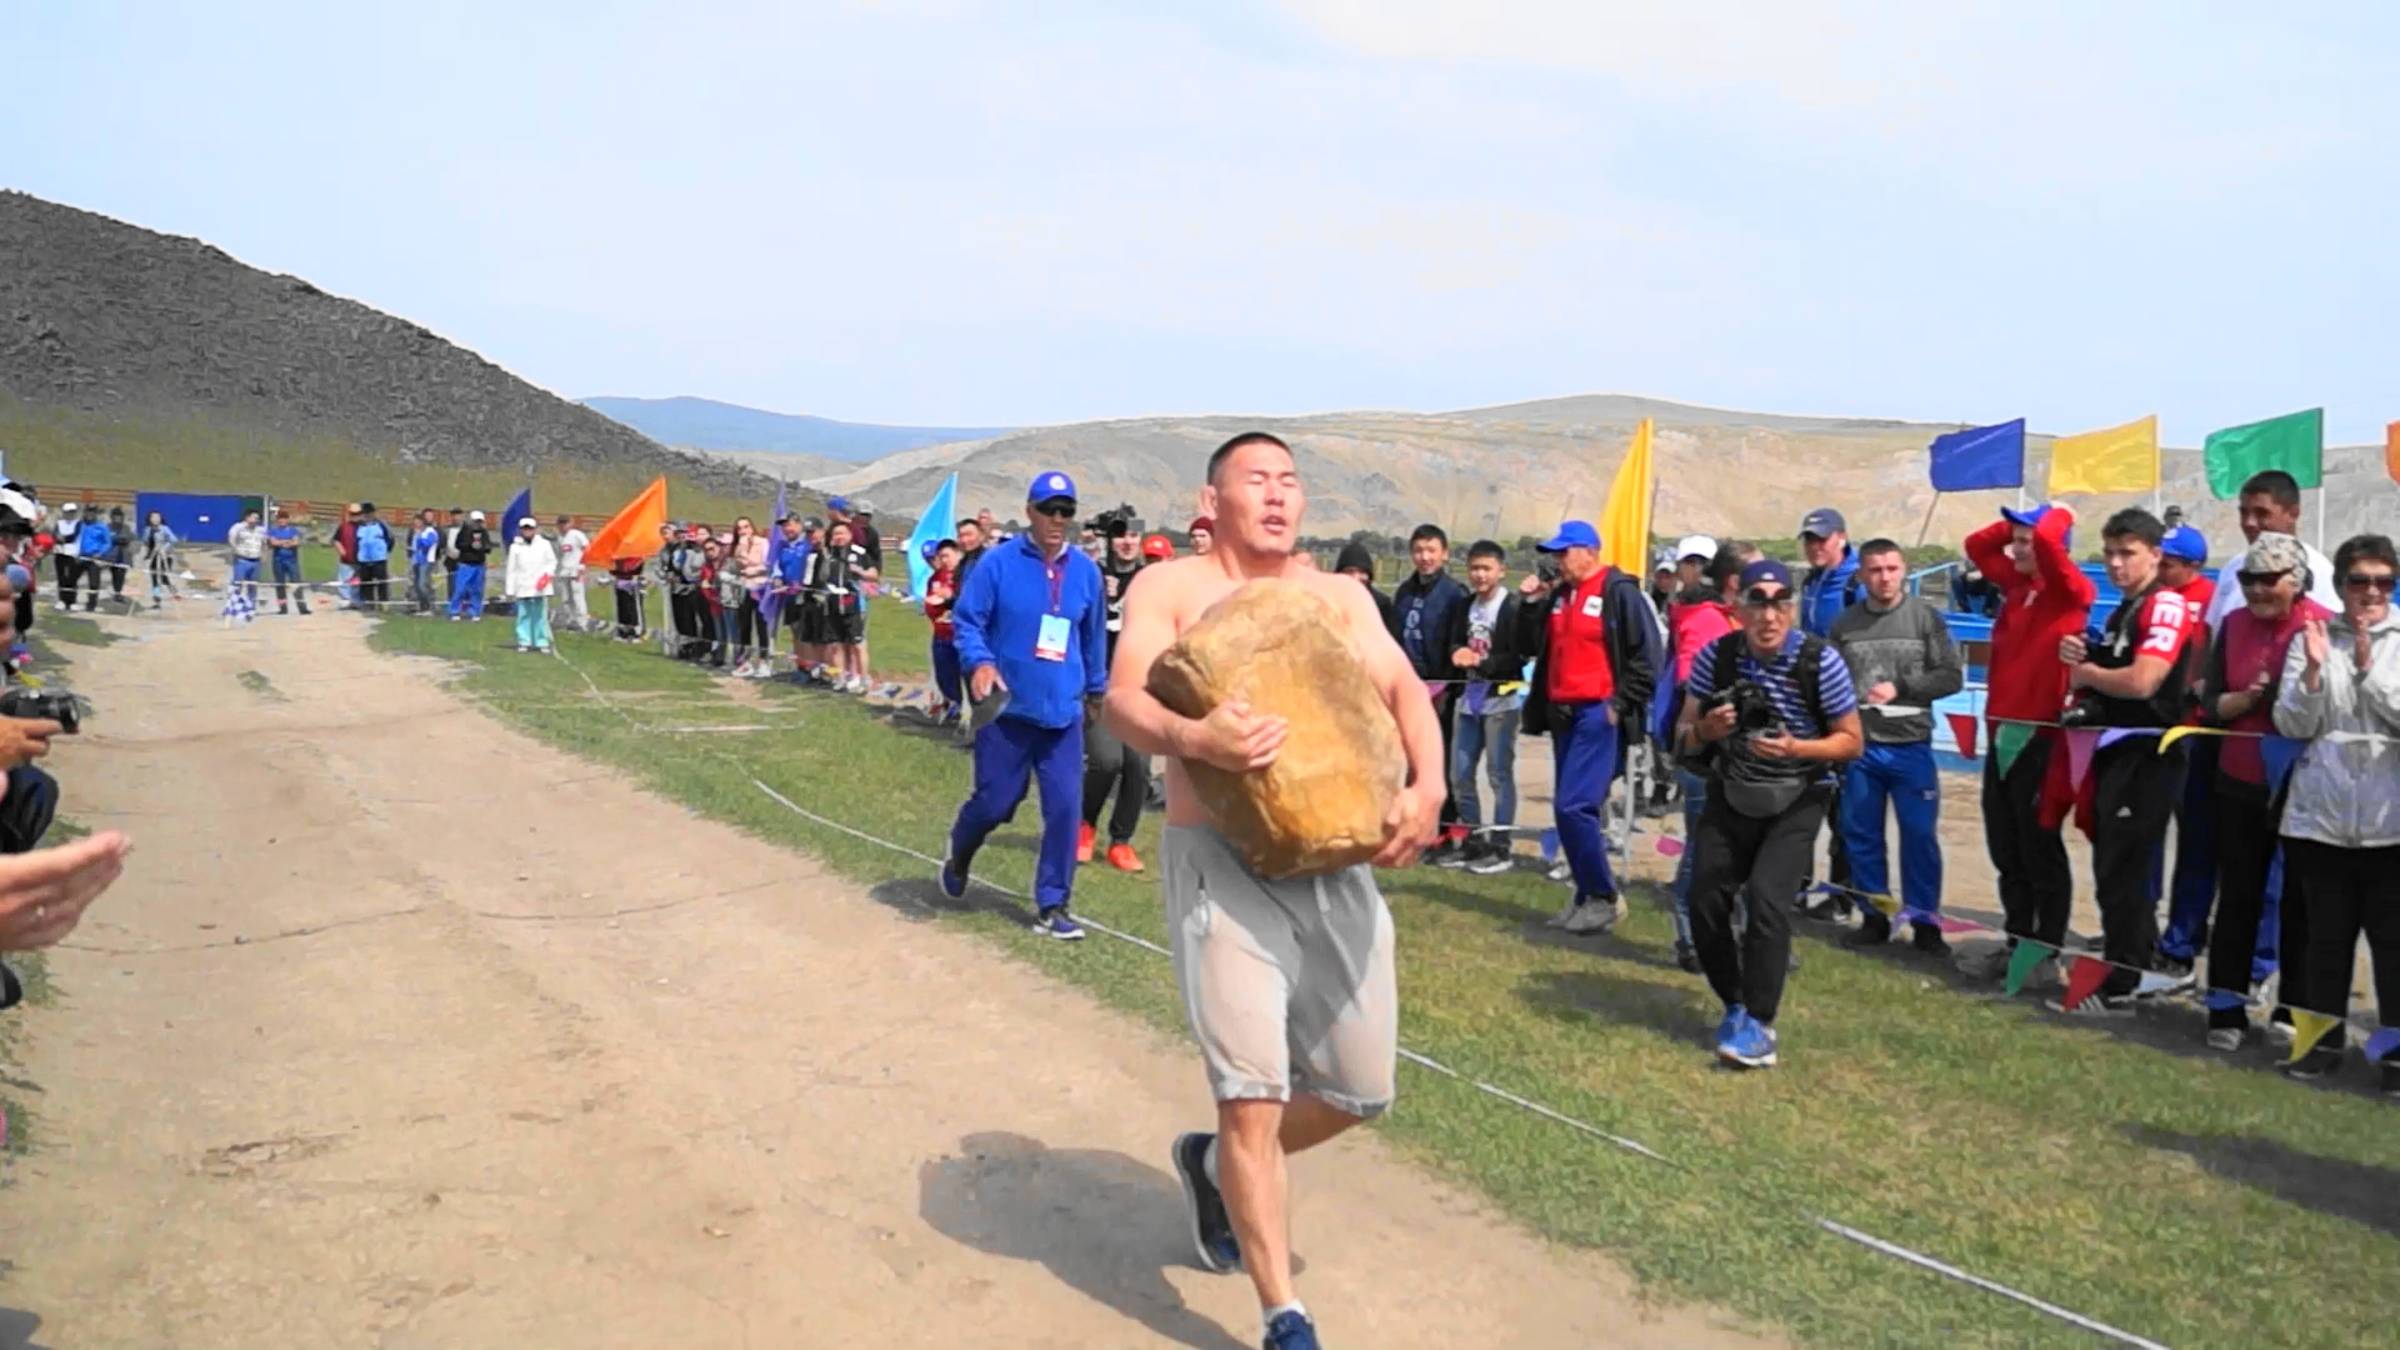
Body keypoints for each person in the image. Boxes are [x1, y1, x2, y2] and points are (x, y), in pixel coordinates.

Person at [1102, 431, 1443, 1350]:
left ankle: (1215, 1166)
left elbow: (1406, 690)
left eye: (1290, 481)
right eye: (1257, 479)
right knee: (1252, 1091)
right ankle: (1282, 1312)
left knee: (1361, 1090)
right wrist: (1196, 739)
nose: (1278, 494)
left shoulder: (1339, 596)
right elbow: (1124, 700)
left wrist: (1429, 787)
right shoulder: (1169, 586)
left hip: (1338, 863)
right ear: (1211, 500)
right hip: (1220, 865)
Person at [1674, 559, 1863, 1068]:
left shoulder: (1821, 662)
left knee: (1766, 900)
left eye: (1780, 603)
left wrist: (1797, 748)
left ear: (1794, 609)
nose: (1769, 615)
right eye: (1757, 602)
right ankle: (1735, 1002)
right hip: (1733, 787)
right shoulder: (1717, 657)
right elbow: (1682, 737)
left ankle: (1760, 1023)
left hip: (1799, 793)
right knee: (1704, 898)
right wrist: (1708, 731)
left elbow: (1851, 742)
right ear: (1738, 608)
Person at [938, 470, 1109, 942]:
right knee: (997, 802)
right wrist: (979, 662)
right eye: (1048, 510)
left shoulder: (1086, 573)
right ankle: (960, 851)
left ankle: (1053, 905)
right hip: (1007, 712)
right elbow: (968, 621)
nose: (1057, 519)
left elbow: (1093, 638)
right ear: (1030, 511)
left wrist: (1096, 690)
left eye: (1065, 511)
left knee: (1065, 809)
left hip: (1063, 715)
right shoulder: (998, 563)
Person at [2054, 508, 2201, 1016]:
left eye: (2127, 553)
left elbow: (2143, 682)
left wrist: (2087, 674)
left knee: (2128, 870)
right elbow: (2118, 677)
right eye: (2110, 553)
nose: (2116, 564)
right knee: (2114, 867)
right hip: (2118, 751)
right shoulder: (2126, 609)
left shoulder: (2164, 605)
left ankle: (2126, 980)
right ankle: (2130, 969)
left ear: (2156, 555)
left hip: (2150, 753)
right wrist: (2087, 653)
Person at [2273, 533, 2398, 1088]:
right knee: (2324, 945)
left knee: (2394, 951)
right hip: (2321, 820)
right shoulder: (2312, 636)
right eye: (2360, 580)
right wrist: (2313, 674)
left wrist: (2370, 672)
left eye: (2383, 582)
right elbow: (2292, 723)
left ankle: (2396, 1059)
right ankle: (2320, 1047)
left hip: (2389, 825)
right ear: (2341, 584)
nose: (2371, 592)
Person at [2195, 533, 2328, 1052]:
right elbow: (2207, 701)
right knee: (2238, 896)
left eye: (2269, 579)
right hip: (2240, 778)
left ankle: (2294, 1009)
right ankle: (2225, 1006)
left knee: (2301, 901)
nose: (2257, 589)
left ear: (2297, 581)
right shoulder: (2232, 624)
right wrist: (2236, 702)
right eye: (2249, 579)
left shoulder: (2323, 624)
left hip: (2303, 783)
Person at [1959, 502, 2093, 983]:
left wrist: (2058, 514)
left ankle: (2046, 951)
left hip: (2043, 733)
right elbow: (1976, 545)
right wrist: (2017, 526)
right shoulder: (2017, 586)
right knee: (2006, 845)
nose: (2016, 549)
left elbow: (2052, 544)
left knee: (2040, 846)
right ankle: (2017, 941)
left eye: (2025, 542)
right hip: (2002, 730)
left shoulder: (2071, 590)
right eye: (2015, 541)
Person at [1517, 520, 1658, 934]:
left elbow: (1648, 656)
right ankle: (1585, 895)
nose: (1558, 561)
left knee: (1574, 806)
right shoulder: (1561, 595)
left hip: (1598, 713)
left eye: (1565, 552)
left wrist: (1620, 704)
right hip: (1562, 713)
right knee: (1570, 809)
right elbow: (1529, 645)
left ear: (1590, 551)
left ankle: (1603, 896)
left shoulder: (1619, 592)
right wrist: (1530, 605)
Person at [1828, 538, 1964, 952]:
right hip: (1862, 748)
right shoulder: (1844, 626)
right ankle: (1874, 916)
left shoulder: (1925, 618)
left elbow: (1951, 676)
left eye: (1891, 568)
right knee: (1861, 835)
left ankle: (1925, 924)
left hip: (1912, 746)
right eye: (1875, 570)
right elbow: (1828, 683)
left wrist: (1902, 687)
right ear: (1861, 575)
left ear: (1904, 570)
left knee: (1919, 837)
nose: (1884, 578)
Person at [1658, 542, 1757, 971]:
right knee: (1702, 849)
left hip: (1739, 756)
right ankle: (1690, 938)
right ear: (1735, 581)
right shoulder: (1705, 621)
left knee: (1740, 849)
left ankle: (1747, 935)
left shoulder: (1733, 618)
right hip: (1705, 755)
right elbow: (1691, 684)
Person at [1442, 540, 1528, 875]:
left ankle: (1500, 845)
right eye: (1474, 568)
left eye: (1486, 568)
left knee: (1498, 774)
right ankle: (1474, 840)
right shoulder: (1465, 605)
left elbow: (1519, 656)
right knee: (1460, 774)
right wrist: (1457, 652)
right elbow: (1454, 641)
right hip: (1468, 699)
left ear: (1501, 571)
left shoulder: (1512, 606)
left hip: (1501, 701)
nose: (1479, 575)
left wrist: (1483, 662)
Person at [1795, 506, 1861, 918]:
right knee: (1800, 801)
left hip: (1845, 708)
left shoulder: (1856, 582)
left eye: (1822, 538)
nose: (1815, 546)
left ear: (1841, 537)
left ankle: (1842, 896)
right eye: (1809, 539)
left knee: (1845, 810)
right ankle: (1795, 888)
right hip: (1810, 707)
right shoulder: (1810, 582)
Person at [1081, 519, 1153, 871]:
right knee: (1107, 761)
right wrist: (1101, 597)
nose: (1127, 542)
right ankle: (1084, 826)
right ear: (1109, 541)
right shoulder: (1092, 575)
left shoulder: (1151, 580)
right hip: (1101, 686)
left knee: (1138, 767)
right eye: (1121, 535)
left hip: (1141, 689)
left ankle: (1121, 842)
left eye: (1134, 535)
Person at [1393, 525, 1469, 861]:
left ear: (1445, 554)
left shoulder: (1454, 594)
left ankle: (1446, 833)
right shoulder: (1404, 592)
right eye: (1419, 550)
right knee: (1408, 762)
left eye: (1431, 550)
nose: (1425, 557)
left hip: (1442, 691)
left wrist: (1446, 686)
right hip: (1408, 689)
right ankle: (1412, 828)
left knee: (1439, 763)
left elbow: (1457, 642)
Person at [819, 519, 874, 692]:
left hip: (853, 605)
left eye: (842, 533)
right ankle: (840, 679)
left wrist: (860, 572)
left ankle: (863, 680)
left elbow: (874, 574)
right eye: (835, 534)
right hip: (832, 605)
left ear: (850, 535)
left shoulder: (859, 554)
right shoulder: (829, 556)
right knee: (836, 645)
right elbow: (822, 578)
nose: (839, 537)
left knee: (857, 644)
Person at [923, 539, 964, 725]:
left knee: (965, 673)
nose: (939, 561)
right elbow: (930, 604)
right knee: (944, 673)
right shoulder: (934, 579)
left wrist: (950, 600)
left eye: (944, 556)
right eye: (932, 559)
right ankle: (952, 706)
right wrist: (936, 612)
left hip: (960, 634)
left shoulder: (963, 576)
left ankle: (967, 711)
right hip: (941, 632)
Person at [504, 516, 557, 653]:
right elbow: (511, 569)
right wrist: (510, 590)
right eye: (525, 528)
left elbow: (551, 562)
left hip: (540, 586)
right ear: (521, 530)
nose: (527, 531)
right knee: (524, 614)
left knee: (540, 615)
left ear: (535, 529)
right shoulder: (515, 547)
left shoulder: (544, 544)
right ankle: (524, 640)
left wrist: (546, 576)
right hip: (523, 585)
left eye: (530, 528)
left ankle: (541, 641)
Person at [727, 517, 768, 675]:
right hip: (744, 588)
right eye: (739, 528)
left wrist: (755, 569)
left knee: (761, 626)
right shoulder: (738, 546)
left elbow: (767, 564)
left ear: (752, 527)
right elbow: (737, 566)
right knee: (744, 626)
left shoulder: (762, 542)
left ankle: (763, 662)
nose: (743, 530)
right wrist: (742, 549)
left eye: (746, 526)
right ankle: (746, 662)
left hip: (760, 587)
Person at [1333, 540, 1396, 632]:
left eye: (1362, 571)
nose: (1356, 577)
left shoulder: (1381, 604)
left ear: (1369, 575)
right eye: (1350, 571)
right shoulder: (1329, 602)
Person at [447, 509, 492, 622]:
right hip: (466, 564)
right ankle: (455, 611)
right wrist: (470, 546)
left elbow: (488, 547)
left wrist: (482, 547)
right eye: (476, 521)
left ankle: (475, 611)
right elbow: (458, 544)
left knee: (476, 589)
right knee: (460, 589)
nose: (478, 523)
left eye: (480, 521)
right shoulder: (464, 531)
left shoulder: (484, 532)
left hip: (479, 564)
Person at [269, 508, 312, 615]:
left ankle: (302, 607)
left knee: (296, 584)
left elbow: (296, 542)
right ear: (277, 520)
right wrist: (287, 541)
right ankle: (283, 608)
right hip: (278, 561)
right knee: (280, 585)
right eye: (280, 519)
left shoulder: (293, 530)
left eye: (284, 519)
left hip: (292, 561)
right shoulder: (273, 530)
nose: (282, 521)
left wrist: (282, 542)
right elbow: (273, 542)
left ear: (287, 520)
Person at [351, 502, 393, 611]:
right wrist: (357, 555)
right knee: (366, 582)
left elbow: (390, 539)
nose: (367, 515)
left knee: (381, 582)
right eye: (365, 513)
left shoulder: (381, 525)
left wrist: (384, 551)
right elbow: (355, 542)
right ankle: (369, 603)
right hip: (363, 559)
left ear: (374, 513)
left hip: (379, 559)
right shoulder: (359, 526)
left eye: (369, 513)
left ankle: (383, 603)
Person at [556, 514, 592, 635]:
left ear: (570, 523)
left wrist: (583, 567)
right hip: (565, 571)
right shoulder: (560, 538)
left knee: (578, 597)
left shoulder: (576, 535)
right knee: (566, 599)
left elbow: (587, 549)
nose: (563, 526)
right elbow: (562, 555)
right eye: (561, 523)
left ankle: (582, 623)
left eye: (565, 523)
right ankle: (570, 622)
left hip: (577, 570)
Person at [226, 509, 266, 611]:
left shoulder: (261, 530)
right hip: (242, 560)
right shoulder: (238, 527)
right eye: (254, 518)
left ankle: (250, 606)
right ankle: (233, 606)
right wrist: (236, 551)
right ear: (247, 517)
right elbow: (232, 540)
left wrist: (263, 555)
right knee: (237, 584)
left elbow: (264, 543)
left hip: (256, 560)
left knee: (253, 585)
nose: (256, 520)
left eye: (258, 518)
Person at [49, 502, 85, 613]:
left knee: (72, 578)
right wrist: (58, 538)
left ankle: (72, 601)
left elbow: (74, 536)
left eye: (72, 512)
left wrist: (63, 538)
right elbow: (55, 535)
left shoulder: (78, 523)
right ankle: (62, 600)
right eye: (68, 512)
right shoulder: (59, 523)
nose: (70, 514)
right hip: (60, 552)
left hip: (72, 553)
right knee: (61, 577)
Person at [141, 510, 178, 609]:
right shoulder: (147, 530)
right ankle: (157, 599)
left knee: (163, 577)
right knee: (154, 578)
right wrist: (148, 553)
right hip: (154, 556)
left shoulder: (165, 529)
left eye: (157, 517)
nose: (155, 519)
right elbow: (145, 541)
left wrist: (164, 548)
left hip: (165, 556)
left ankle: (173, 589)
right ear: (149, 519)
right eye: (153, 517)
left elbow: (173, 539)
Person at [406, 509, 440, 615]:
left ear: (422, 522)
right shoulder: (415, 533)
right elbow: (414, 547)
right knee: (417, 585)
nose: (416, 524)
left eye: (418, 522)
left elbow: (427, 545)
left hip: (427, 561)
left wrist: (419, 537)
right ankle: (422, 608)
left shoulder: (430, 532)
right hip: (416, 561)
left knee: (423, 584)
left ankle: (429, 607)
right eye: (415, 522)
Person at [102, 506, 134, 608]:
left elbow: (129, 538)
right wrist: (117, 539)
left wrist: (120, 539)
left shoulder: (126, 527)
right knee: (114, 574)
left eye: (120, 516)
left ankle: (118, 592)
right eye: (115, 516)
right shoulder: (108, 527)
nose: (118, 518)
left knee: (121, 575)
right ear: (112, 517)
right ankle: (117, 592)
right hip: (112, 555)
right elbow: (107, 538)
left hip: (124, 556)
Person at [331, 503, 360, 609]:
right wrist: (341, 550)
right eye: (353, 514)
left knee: (357, 582)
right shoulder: (344, 527)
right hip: (346, 560)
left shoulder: (364, 527)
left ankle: (355, 601)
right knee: (344, 581)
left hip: (360, 560)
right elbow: (336, 540)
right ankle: (345, 600)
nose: (355, 516)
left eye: (357, 514)